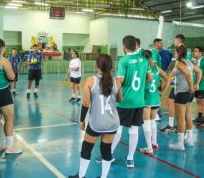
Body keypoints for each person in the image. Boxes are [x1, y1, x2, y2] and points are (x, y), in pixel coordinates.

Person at [96, 35, 152, 169]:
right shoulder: (144, 60)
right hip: (139, 101)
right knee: (134, 130)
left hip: (125, 102)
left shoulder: (124, 61)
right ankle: (130, 159)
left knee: (117, 129)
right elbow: (149, 78)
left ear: (124, 47)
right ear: (136, 46)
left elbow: (119, 81)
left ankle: (108, 155)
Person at [69, 54, 122, 178]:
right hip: (113, 121)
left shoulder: (90, 80)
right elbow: (120, 99)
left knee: (86, 148)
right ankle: (103, 176)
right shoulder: (117, 81)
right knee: (106, 149)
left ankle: (81, 176)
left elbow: (86, 103)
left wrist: (82, 120)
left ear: (97, 65)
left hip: (97, 122)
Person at [163, 45, 202, 150]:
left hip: (182, 93)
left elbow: (188, 76)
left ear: (178, 53)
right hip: (189, 94)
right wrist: (196, 85)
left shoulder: (179, 63)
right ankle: (189, 140)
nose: (174, 54)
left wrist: (191, 87)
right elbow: (199, 72)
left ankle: (180, 144)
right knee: (187, 115)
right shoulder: (189, 62)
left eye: (175, 52)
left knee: (180, 118)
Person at [0, 39, 22, 154]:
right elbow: (12, 77)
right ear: (2, 48)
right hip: (2, 91)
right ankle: (9, 147)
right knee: (9, 119)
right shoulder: (3, 60)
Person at [159, 34, 192, 133]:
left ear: (178, 41)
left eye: (174, 40)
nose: (173, 41)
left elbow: (184, 71)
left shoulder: (181, 52)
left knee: (172, 103)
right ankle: (180, 127)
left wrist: (164, 88)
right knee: (182, 108)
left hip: (181, 85)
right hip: (183, 83)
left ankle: (172, 125)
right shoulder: (185, 51)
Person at [139, 50, 167, 155]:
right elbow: (168, 78)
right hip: (156, 98)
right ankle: (154, 143)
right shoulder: (157, 68)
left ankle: (149, 148)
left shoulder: (144, 69)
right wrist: (163, 90)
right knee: (152, 121)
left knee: (146, 123)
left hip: (146, 98)